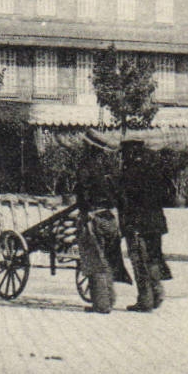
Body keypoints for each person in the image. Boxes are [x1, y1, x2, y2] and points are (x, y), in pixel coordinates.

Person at [74, 128, 127, 314]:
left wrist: (84, 211)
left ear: (88, 147)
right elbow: (119, 194)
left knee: (95, 261)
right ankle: (110, 299)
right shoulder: (110, 167)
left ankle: (101, 305)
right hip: (110, 218)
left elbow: (82, 193)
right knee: (108, 259)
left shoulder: (86, 166)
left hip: (93, 217)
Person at [119, 139, 169, 311]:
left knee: (139, 261)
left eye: (124, 153)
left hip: (138, 224)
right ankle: (158, 292)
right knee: (154, 257)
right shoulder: (154, 169)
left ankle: (145, 300)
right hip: (156, 223)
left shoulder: (130, 172)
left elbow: (124, 200)